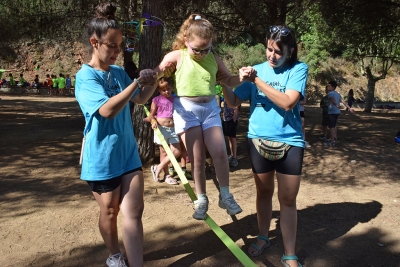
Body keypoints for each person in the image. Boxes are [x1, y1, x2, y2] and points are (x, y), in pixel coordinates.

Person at [74, 3, 170, 266]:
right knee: (110, 210)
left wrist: (150, 84)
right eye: (112, 46)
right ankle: (114, 255)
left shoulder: (117, 72)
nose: (118, 51)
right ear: (95, 42)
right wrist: (137, 82)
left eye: (121, 46)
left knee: (134, 211)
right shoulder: (85, 77)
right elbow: (106, 110)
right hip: (102, 158)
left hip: (128, 154)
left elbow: (138, 99)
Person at [222, 25, 307, 267]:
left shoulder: (298, 69)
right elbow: (235, 101)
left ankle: (290, 253)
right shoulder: (256, 70)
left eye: (278, 51)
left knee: (288, 200)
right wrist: (225, 81)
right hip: (258, 140)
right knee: (264, 193)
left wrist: (256, 80)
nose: (272, 55)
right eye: (269, 49)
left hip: (290, 142)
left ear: (290, 51)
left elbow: (288, 102)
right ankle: (262, 236)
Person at [154, 14, 253, 220]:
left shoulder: (214, 60)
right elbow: (157, 72)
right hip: (187, 111)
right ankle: (201, 199)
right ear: (186, 40)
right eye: (196, 49)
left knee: (219, 152)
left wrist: (240, 77)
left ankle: (225, 195)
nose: (201, 53)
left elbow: (229, 80)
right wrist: (156, 73)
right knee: (197, 157)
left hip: (209, 109)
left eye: (206, 49)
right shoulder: (177, 56)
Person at [144, 77, 181, 185]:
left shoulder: (175, 99)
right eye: (163, 90)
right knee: (164, 152)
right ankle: (167, 175)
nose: (167, 91)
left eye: (168, 89)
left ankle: (158, 167)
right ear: (159, 91)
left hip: (174, 128)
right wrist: (153, 121)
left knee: (177, 151)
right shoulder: (156, 100)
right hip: (161, 128)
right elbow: (151, 115)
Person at [324, 81, 355, 147]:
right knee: (334, 125)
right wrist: (349, 108)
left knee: (331, 127)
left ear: (333, 87)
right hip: (337, 112)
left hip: (332, 112)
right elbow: (343, 102)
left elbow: (332, 100)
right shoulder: (338, 94)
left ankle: (332, 142)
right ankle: (334, 138)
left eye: (329, 86)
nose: (328, 87)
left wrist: (336, 105)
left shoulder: (330, 94)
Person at [221, 86, 240, 167]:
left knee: (233, 137)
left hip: (232, 118)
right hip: (226, 117)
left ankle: (235, 158)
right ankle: (232, 155)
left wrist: (234, 117)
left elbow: (237, 105)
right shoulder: (225, 91)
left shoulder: (235, 91)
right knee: (229, 137)